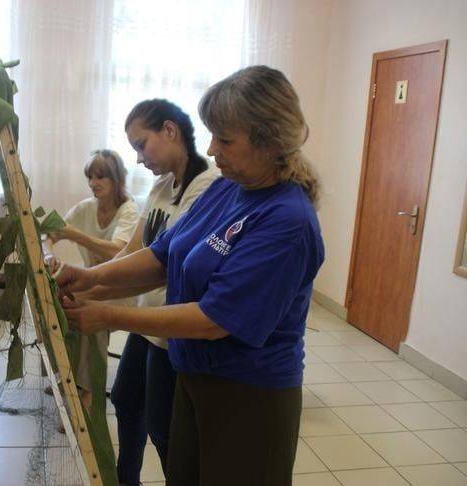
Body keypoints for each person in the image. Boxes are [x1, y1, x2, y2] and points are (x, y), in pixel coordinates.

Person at [55, 66, 325, 486]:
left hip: (249, 396)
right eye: (212, 135)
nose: (212, 149)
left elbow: (214, 320)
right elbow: (161, 256)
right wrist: (89, 279)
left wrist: (110, 316)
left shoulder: (287, 221)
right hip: (194, 378)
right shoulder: (226, 189)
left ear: (270, 140)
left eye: (226, 139)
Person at [78, 99, 218, 485]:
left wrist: (96, 292)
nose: (138, 158)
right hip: (147, 325)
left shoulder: (207, 188)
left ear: (170, 131)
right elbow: (135, 250)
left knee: (164, 427)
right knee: (124, 399)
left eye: (142, 144)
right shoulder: (161, 186)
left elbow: (165, 268)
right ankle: (127, 479)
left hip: (170, 328)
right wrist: (86, 278)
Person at [45, 149, 139, 411]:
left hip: (124, 290)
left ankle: (88, 391)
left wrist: (75, 235)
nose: (93, 183)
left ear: (116, 179)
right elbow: (49, 233)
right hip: (93, 283)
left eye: (101, 177)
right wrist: (48, 252)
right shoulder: (87, 207)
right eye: (90, 177)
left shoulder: (129, 211)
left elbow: (118, 251)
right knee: (53, 296)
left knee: (88, 310)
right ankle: (62, 372)